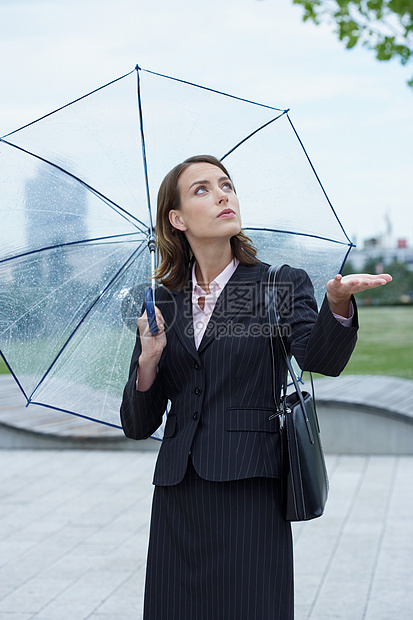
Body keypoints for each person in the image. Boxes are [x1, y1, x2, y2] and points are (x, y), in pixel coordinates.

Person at [120, 155, 391, 620]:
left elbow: (321, 359)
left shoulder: (276, 284)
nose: (224, 194)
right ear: (177, 218)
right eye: (203, 189)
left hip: (250, 492)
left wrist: (338, 304)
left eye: (226, 184)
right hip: (177, 496)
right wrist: (149, 359)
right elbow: (137, 424)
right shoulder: (164, 300)